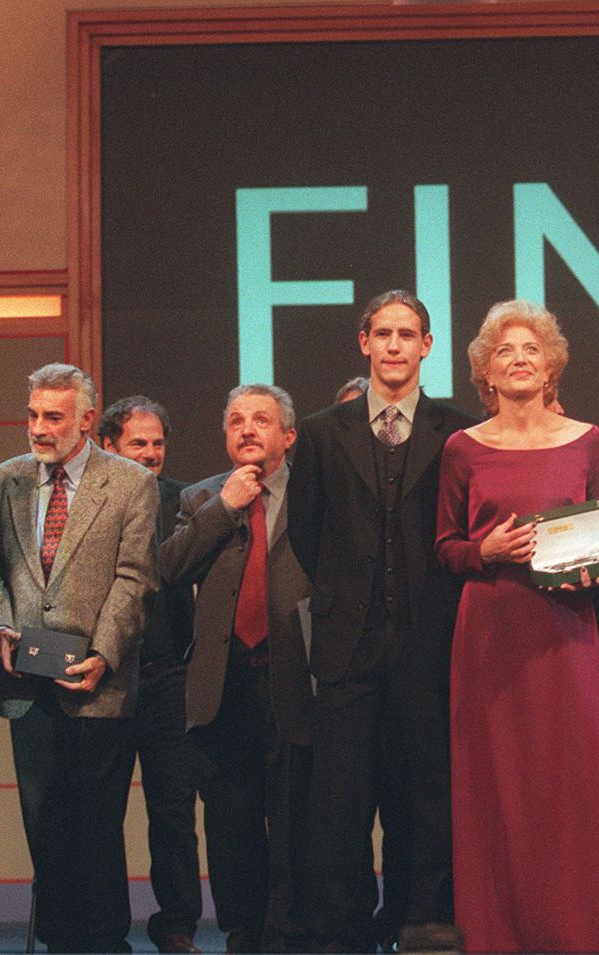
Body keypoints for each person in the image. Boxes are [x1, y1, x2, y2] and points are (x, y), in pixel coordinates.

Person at [436, 299, 599, 953]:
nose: (518, 359)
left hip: (566, 631)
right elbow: (445, 545)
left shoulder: (587, 439)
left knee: (569, 784)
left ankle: (585, 934)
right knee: (499, 787)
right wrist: (485, 551)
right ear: (485, 373)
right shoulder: (461, 448)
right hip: (490, 630)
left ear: (550, 366)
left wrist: (594, 569)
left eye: (530, 349)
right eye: (504, 351)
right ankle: (503, 936)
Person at [286, 290, 475, 952]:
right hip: (347, 647)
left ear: (427, 345)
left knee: (424, 798)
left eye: (408, 334)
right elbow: (306, 536)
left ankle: (419, 923)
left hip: (429, 642)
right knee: (341, 802)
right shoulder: (318, 431)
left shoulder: (457, 430)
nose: (394, 345)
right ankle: (344, 931)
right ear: (363, 342)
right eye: (383, 333)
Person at [0, 363, 157, 953]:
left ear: (84, 420)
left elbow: (134, 579)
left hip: (97, 684)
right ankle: (58, 943)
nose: (38, 427)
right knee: (43, 827)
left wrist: (104, 653)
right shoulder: (7, 480)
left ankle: (104, 944)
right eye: (33, 414)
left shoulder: (130, 482)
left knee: (95, 829)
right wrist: (0, 626)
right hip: (27, 681)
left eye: (52, 417)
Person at [160, 385, 314, 952]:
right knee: (230, 821)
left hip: (293, 674)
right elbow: (171, 568)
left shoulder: (314, 494)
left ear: (289, 436)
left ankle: (291, 931)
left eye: (261, 420)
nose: (247, 429)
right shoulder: (202, 498)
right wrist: (225, 506)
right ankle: (245, 934)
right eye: (236, 422)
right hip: (222, 685)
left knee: (295, 815)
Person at [100, 396, 203, 954]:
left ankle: (178, 924)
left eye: (158, 442)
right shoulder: (93, 501)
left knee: (174, 809)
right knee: (102, 809)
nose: (151, 453)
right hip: (106, 678)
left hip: (169, 678)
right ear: (109, 445)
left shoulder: (186, 501)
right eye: (138, 443)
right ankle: (106, 926)